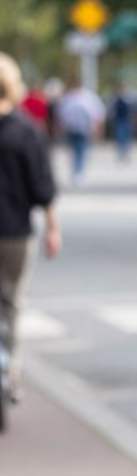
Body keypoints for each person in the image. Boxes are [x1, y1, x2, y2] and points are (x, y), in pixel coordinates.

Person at [0, 53, 61, 400]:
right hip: (15, 232)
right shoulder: (26, 131)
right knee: (12, 302)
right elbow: (42, 187)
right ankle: (11, 371)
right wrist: (53, 228)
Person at [56, 82, 105, 183]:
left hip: (83, 128)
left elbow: (97, 113)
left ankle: (78, 170)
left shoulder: (86, 98)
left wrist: (98, 128)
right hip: (72, 128)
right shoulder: (70, 98)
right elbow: (61, 115)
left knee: (81, 150)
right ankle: (77, 170)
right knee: (75, 151)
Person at [111, 83, 137, 160]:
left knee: (128, 137)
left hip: (128, 121)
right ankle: (121, 152)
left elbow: (134, 111)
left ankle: (126, 152)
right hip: (120, 120)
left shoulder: (130, 100)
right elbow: (114, 110)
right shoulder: (117, 99)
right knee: (120, 137)